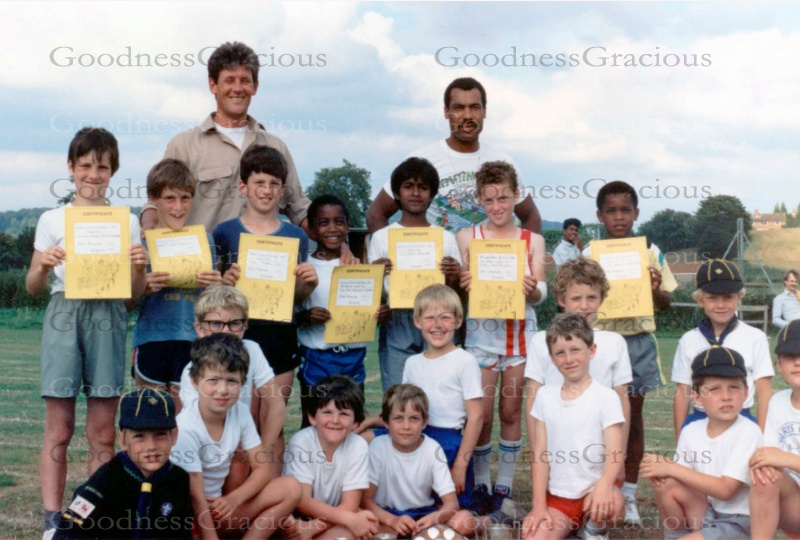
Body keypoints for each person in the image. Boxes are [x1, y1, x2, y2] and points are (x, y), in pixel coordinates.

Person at [26, 127, 148, 537]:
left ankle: (96, 521)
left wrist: (138, 268)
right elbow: (33, 287)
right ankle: (51, 522)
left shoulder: (127, 222)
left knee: (101, 433)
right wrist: (44, 265)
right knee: (59, 429)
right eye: (85, 166)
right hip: (64, 311)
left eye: (102, 167)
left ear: (113, 171)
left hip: (108, 314)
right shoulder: (51, 219)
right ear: (70, 167)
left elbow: (132, 298)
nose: (93, 175)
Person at [139, 41, 311, 234]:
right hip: (205, 253)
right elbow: (157, 202)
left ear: (255, 87)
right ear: (213, 85)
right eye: (229, 80)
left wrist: (334, 240)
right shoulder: (183, 146)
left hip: (262, 252)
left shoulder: (276, 147)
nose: (237, 88)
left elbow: (299, 207)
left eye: (245, 81)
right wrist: (148, 228)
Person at [582, 180, 678, 524]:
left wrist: (653, 289)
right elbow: (577, 300)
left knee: (632, 419)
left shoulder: (650, 251)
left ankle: (630, 494)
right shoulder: (590, 254)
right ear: (599, 215)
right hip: (600, 340)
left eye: (626, 210)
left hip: (636, 340)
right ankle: (594, 488)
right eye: (611, 211)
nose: (619, 217)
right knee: (593, 417)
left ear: (637, 213)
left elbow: (666, 303)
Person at [456, 160, 546, 509]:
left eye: (504, 198)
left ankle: (504, 486)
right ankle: (480, 484)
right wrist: (462, 283)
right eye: (489, 199)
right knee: (481, 414)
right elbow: (459, 290)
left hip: (520, 337)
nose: (497, 206)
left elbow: (541, 292)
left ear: (516, 195)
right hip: (480, 337)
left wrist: (533, 289)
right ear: (480, 199)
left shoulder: (532, 240)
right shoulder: (467, 237)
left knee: (510, 412)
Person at [214, 145, 318, 419]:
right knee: (241, 421)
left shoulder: (296, 236)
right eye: (259, 182)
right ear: (243, 186)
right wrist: (225, 283)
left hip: (280, 336)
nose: (266, 190)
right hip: (238, 336)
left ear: (283, 190)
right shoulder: (224, 232)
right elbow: (214, 293)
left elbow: (296, 295)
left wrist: (307, 285)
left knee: (273, 420)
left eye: (274, 184)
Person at [365, 77, 542, 235]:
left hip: (486, 260)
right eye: (458, 108)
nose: (467, 115)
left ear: (484, 111)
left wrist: (525, 256)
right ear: (446, 112)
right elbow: (376, 214)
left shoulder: (503, 162)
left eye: (474, 107)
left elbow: (531, 216)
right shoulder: (421, 161)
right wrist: (390, 254)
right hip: (435, 261)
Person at [171, 333, 301, 540]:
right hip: (188, 517)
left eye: (231, 381)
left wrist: (233, 500)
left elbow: (262, 470)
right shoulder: (186, 427)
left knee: (291, 488)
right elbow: (196, 498)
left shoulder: (239, 411)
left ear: (243, 383)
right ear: (194, 381)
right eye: (213, 380)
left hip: (221, 508)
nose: (223, 390)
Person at [524, 257, 631, 480]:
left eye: (591, 297)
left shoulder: (615, 342)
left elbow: (622, 402)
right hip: (556, 446)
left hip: (598, 447)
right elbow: (533, 400)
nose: (584, 306)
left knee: (605, 500)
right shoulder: (541, 341)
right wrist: (536, 454)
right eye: (576, 298)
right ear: (561, 299)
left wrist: (618, 458)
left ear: (602, 299)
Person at [640, 346, 762, 539]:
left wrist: (670, 467)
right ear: (696, 397)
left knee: (671, 472)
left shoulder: (749, 431)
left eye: (734, 387)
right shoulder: (691, 430)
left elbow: (726, 490)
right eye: (714, 389)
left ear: (746, 392)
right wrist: (658, 468)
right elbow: (680, 478)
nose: (726, 396)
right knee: (666, 483)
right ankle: (676, 535)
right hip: (708, 511)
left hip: (740, 521)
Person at [522, 314, 626, 540]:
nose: (569, 359)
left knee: (615, 503)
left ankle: (594, 530)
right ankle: (572, 527)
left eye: (575, 350)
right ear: (551, 358)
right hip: (560, 498)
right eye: (560, 353)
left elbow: (615, 453)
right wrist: (538, 506)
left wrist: (604, 485)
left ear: (591, 350)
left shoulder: (606, 397)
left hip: (595, 492)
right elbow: (540, 455)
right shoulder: (545, 396)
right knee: (533, 537)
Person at [132, 158, 222, 410]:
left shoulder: (204, 240)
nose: (178, 207)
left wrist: (216, 287)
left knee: (185, 419)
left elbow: (214, 305)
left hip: (193, 340)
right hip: (151, 339)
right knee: (151, 416)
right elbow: (126, 303)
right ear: (152, 198)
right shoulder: (141, 243)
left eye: (185, 198)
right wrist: (142, 285)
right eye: (169, 198)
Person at [367, 157, 461, 391]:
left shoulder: (446, 238)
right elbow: (373, 295)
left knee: (440, 392)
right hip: (397, 319)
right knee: (398, 392)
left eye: (423, 187)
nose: (416, 193)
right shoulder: (381, 238)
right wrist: (374, 275)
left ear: (432, 194)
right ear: (397, 193)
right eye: (408, 186)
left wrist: (453, 276)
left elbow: (456, 291)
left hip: (438, 317)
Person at [177, 284, 286, 480]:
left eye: (234, 323)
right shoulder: (191, 372)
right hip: (207, 453)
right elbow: (201, 425)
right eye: (216, 324)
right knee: (239, 461)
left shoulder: (251, 350)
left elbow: (277, 407)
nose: (226, 331)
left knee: (285, 485)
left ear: (245, 326)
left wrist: (261, 452)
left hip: (242, 443)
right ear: (199, 328)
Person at [53, 388, 193, 539]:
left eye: (160, 435)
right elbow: (66, 534)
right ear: (122, 440)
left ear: (174, 436)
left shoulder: (178, 479)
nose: (151, 446)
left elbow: (181, 533)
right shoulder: (102, 484)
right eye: (139, 436)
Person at [297, 195, 389, 425]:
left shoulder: (359, 268)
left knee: (352, 422)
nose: (333, 229)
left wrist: (379, 316)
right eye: (324, 223)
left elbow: (368, 314)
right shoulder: (304, 267)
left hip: (353, 359)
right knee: (313, 423)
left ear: (347, 227)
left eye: (339, 222)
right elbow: (290, 314)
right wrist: (307, 316)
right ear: (312, 229)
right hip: (317, 358)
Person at [401, 284, 483, 509]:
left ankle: (484, 519)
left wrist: (460, 466)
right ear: (417, 321)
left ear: (458, 321)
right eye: (429, 318)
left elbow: (476, 417)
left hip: (448, 446)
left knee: (449, 513)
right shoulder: (412, 363)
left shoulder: (464, 361)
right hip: (414, 439)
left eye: (445, 318)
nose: (437, 325)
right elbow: (403, 410)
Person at [672, 259, 773, 439]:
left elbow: (764, 393)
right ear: (700, 300)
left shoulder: (755, 337)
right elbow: (682, 393)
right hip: (700, 422)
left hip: (741, 422)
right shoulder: (688, 340)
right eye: (712, 298)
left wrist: (761, 438)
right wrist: (680, 440)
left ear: (739, 298)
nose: (721, 305)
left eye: (728, 297)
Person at [362, 384, 476, 537]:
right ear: (386, 422)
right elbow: (365, 500)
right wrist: (392, 520)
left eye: (414, 418)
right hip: (386, 516)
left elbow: (452, 503)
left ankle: (486, 521)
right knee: (364, 524)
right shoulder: (378, 447)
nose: (406, 426)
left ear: (424, 422)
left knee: (464, 520)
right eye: (398, 418)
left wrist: (433, 519)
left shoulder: (432, 449)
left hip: (422, 516)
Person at [281, 376, 379, 540]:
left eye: (344, 414)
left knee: (365, 522)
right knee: (356, 521)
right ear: (312, 417)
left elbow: (350, 504)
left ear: (356, 422)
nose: (335, 420)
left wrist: (313, 528)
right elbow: (303, 502)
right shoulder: (301, 441)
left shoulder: (358, 445)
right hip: (297, 517)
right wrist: (349, 519)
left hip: (335, 517)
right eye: (327, 412)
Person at [749, 319, 800, 538]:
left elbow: (779, 457)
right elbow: (769, 456)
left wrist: (786, 459)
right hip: (795, 503)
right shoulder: (777, 402)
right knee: (765, 477)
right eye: (790, 356)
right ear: (778, 365)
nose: (797, 362)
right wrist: (765, 462)